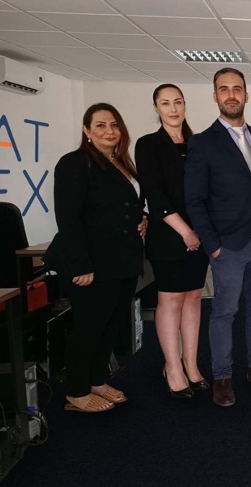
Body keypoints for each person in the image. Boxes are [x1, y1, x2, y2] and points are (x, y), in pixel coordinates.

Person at [185, 68, 251, 408]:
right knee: (224, 311)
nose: (231, 95)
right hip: (228, 245)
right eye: (224, 89)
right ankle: (222, 376)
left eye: (237, 89)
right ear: (215, 96)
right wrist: (212, 245)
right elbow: (195, 200)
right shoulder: (202, 142)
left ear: (246, 95)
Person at [45, 103, 146, 413]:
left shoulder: (122, 162)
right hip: (91, 263)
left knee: (111, 325)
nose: (109, 131)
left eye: (114, 124)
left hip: (122, 260)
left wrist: (143, 218)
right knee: (89, 326)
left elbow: (125, 204)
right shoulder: (74, 163)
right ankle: (76, 392)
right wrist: (81, 265)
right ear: (86, 131)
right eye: (100, 125)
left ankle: (97, 380)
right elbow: (68, 218)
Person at [135, 84, 209, 399]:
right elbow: (155, 195)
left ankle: (190, 364)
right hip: (168, 234)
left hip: (200, 234)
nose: (173, 108)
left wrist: (201, 230)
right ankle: (172, 367)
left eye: (177, 102)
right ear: (156, 108)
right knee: (171, 299)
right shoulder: (148, 144)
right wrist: (185, 232)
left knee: (194, 297)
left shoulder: (197, 143)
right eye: (165, 103)